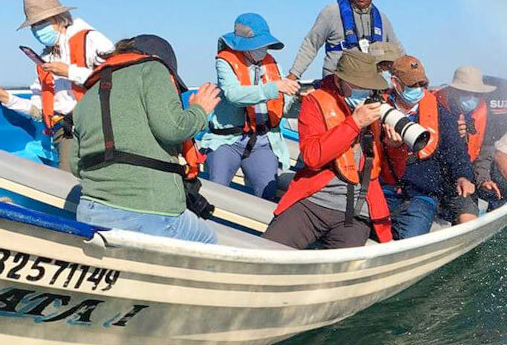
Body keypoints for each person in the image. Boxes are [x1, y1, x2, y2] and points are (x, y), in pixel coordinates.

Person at [71, 35, 221, 243]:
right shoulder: (153, 68)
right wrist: (199, 110)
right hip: (148, 210)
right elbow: (173, 129)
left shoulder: (87, 96)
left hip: (91, 211)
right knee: (208, 240)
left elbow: (75, 166)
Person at [263, 50, 393, 249]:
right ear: (341, 80)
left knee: (342, 269)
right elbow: (312, 157)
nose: (364, 91)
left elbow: (393, 175)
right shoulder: (314, 102)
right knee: (268, 251)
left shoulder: (379, 107)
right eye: (359, 85)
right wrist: (355, 123)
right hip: (313, 200)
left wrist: (396, 146)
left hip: (356, 208)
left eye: (369, 87)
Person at [0, 0, 113, 170]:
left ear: (60, 18)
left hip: (97, 126)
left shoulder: (91, 40)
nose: (38, 30)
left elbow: (115, 77)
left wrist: (70, 72)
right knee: (66, 179)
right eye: (34, 25)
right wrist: (3, 97)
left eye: (42, 22)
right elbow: (38, 111)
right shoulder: (46, 58)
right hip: (65, 130)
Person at [200, 13, 300, 199]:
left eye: (264, 44)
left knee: (267, 193)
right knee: (214, 192)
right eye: (257, 44)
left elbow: (281, 107)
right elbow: (233, 95)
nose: (262, 49)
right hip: (227, 140)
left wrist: (299, 101)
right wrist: (274, 87)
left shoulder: (271, 64)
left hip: (261, 141)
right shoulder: (224, 61)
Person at [378, 55, 476, 238]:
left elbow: (456, 150)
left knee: (412, 233)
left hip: (420, 193)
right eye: (411, 85)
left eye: (421, 85)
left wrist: (463, 176)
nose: (417, 90)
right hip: (382, 190)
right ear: (395, 82)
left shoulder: (439, 113)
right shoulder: (377, 109)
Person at [287, 0, 402, 80]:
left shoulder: (382, 19)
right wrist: (294, 75)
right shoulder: (331, 12)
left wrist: (410, 77)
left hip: (369, 83)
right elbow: (311, 44)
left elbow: (398, 52)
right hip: (336, 81)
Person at [434, 65, 503, 223]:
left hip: (464, 178)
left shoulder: (483, 113)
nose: (471, 97)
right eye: (465, 92)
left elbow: (485, 154)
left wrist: (483, 180)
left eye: (476, 93)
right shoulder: (435, 108)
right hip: (434, 176)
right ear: (453, 90)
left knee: (469, 213)